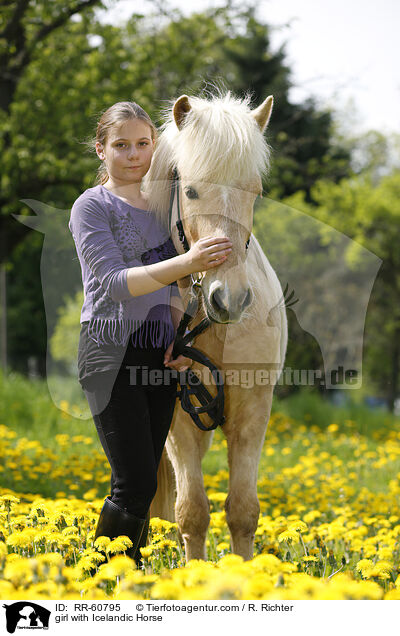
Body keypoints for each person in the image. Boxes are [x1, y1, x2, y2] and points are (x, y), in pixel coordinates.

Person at [68, 101, 232, 567]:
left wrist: (179, 339)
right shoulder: (91, 206)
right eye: (121, 145)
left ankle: (125, 579)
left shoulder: (164, 208)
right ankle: (100, 580)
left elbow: (174, 289)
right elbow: (115, 284)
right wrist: (191, 261)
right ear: (101, 149)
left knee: (149, 482)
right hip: (107, 353)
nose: (133, 154)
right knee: (135, 481)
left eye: (143, 144)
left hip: (157, 356)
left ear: (155, 146)